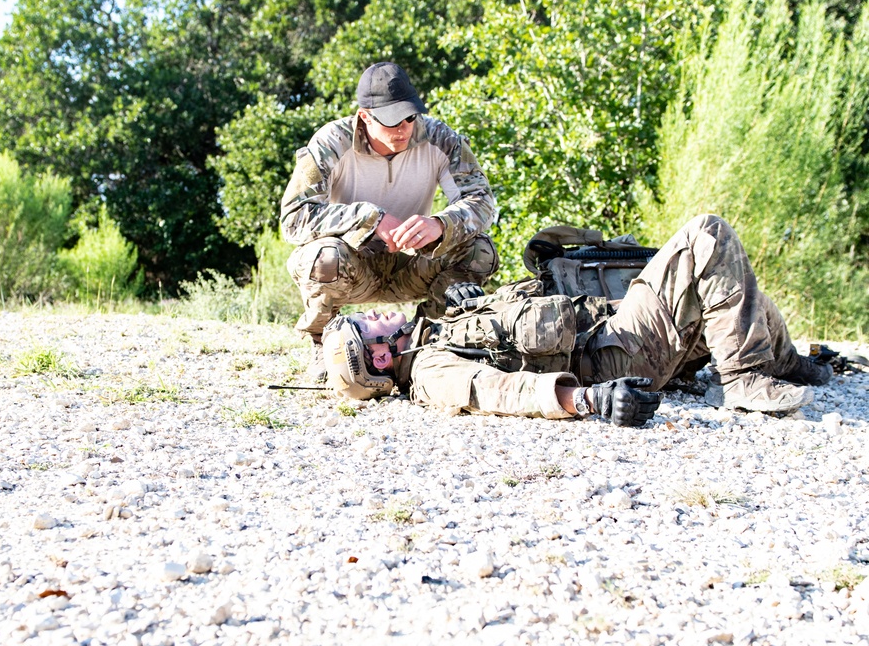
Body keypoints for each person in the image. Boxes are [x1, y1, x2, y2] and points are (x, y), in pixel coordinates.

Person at [321, 214, 832, 426]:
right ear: (380, 357)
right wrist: (590, 400)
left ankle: (781, 364)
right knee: (707, 236)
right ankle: (743, 379)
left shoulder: (437, 326)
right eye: (366, 328)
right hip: (620, 352)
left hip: (617, 330)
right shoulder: (432, 372)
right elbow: (499, 393)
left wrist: (471, 300)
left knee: (733, 290)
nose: (373, 316)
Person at [280, 62, 499, 382]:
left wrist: (441, 224)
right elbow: (294, 217)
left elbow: (483, 202)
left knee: (479, 251)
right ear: (365, 117)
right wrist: (369, 218)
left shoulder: (439, 137)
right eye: (392, 120)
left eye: (410, 116)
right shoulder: (332, 141)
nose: (404, 127)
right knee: (322, 257)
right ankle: (325, 345)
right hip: (352, 267)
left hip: (411, 266)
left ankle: (436, 341)